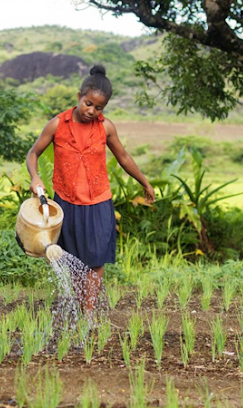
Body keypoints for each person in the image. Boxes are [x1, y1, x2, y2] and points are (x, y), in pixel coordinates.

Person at [26, 65, 155, 312]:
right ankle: (78, 306)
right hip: (66, 201)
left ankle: (89, 311)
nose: (92, 111)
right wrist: (35, 177)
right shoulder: (57, 124)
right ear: (79, 97)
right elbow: (33, 153)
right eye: (88, 104)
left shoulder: (106, 128)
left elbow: (124, 157)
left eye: (99, 108)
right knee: (71, 258)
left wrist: (145, 182)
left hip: (98, 201)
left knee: (96, 259)